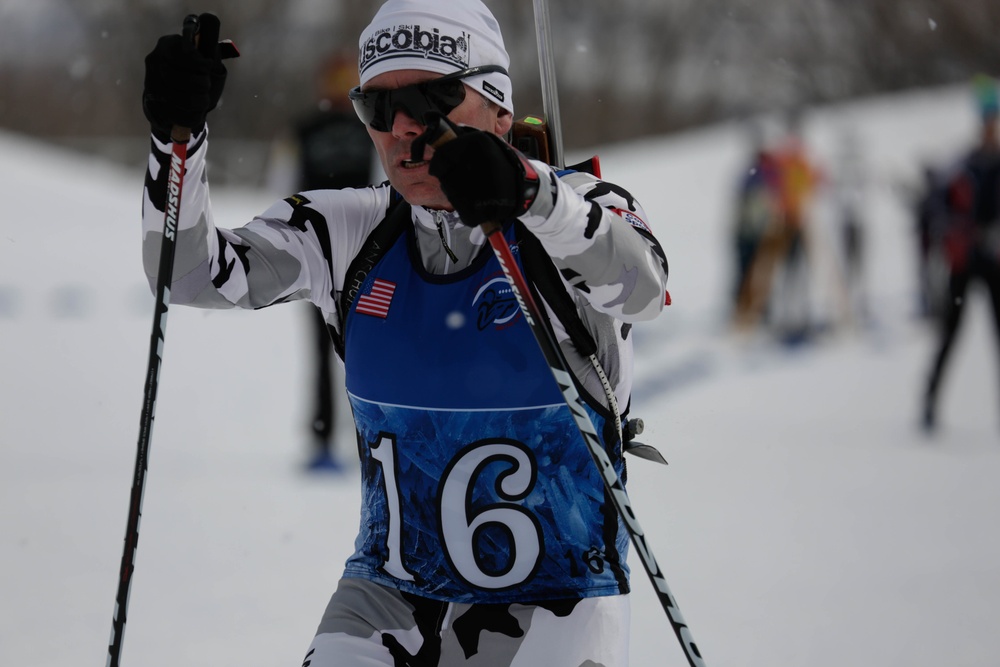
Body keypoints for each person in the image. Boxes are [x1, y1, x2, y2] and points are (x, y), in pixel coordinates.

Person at [140, 2, 669, 665]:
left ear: (498, 108)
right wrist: (175, 139)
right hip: (389, 594)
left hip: (556, 596)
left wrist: (530, 195)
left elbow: (644, 285)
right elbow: (187, 273)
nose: (404, 129)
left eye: (431, 98)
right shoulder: (351, 231)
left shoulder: (577, 210)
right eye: (378, 108)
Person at [267, 52, 381, 471]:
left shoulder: (300, 130)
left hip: (315, 252)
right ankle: (374, 442)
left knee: (321, 351)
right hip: (367, 252)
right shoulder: (372, 125)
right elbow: (381, 186)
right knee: (368, 351)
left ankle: (323, 441)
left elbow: (280, 186)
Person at [921, 78, 1000, 432]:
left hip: (995, 261)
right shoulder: (963, 165)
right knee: (951, 334)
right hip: (965, 260)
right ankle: (929, 404)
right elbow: (935, 208)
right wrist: (956, 230)